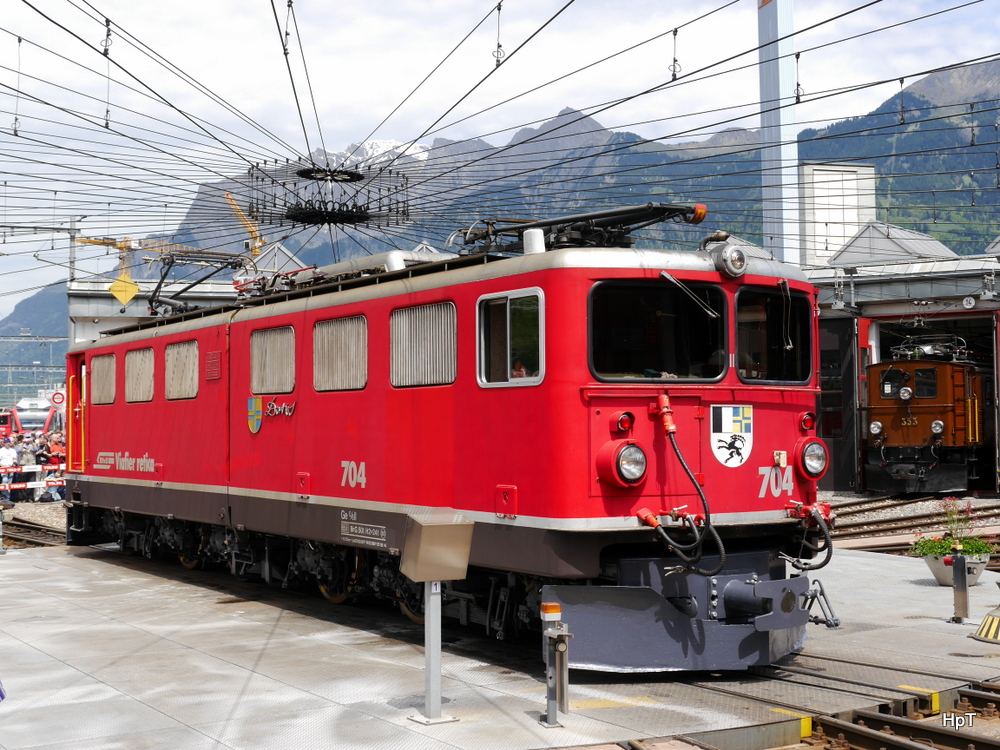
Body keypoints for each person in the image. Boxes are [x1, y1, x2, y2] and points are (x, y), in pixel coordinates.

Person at [0, 439, 17, 503]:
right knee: (4, 481)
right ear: (4, 443)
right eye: (7, 442)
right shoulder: (1, 450)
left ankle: (8, 498)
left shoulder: (13, 450)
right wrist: (2, 466)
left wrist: (14, 463)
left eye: (9, 442)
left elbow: (14, 459)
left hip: (11, 468)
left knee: (9, 483)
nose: (8, 443)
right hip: (4, 468)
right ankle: (4, 496)